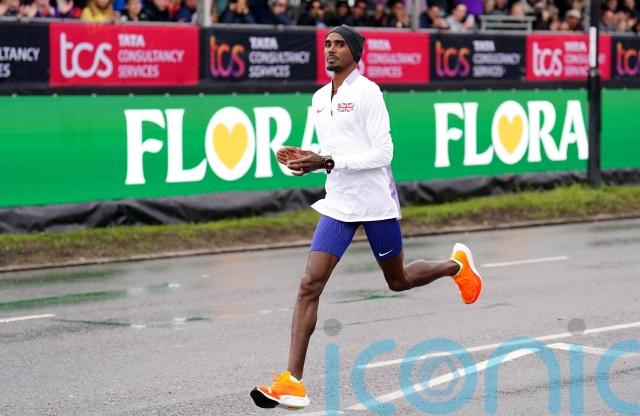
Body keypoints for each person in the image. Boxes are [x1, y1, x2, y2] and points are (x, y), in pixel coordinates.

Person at [250, 24, 484, 410]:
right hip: (339, 204)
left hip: (375, 202)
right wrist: (305, 161)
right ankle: (292, 382)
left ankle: (455, 266)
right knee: (309, 284)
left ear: (355, 53)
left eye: (340, 44)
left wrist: (327, 161)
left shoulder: (368, 92)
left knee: (398, 280)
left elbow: (383, 153)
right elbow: (330, 151)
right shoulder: (319, 98)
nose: (330, 49)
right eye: (327, 44)